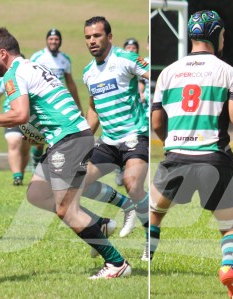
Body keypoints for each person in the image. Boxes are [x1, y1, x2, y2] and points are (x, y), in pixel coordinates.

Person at [0, 27, 132, 279]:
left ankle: (117, 264)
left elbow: (19, 114)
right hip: (67, 137)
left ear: (3, 54)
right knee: (37, 194)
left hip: (69, 139)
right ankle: (98, 225)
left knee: (66, 210)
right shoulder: (32, 66)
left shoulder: (12, 75)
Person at [151, 10, 233, 299]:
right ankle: (228, 266)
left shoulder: (168, 72)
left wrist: (174, 143)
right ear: (217, 35)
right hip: (213, 159)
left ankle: (146, 262)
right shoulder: (227, 72)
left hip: (175, 157)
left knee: (154, 215)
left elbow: (155, 122)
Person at [82, 16, 150, 243]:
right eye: (88, 37)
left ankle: (150, 237)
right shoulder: (88, 73)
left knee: (132, 183)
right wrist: (81, 140)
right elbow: (93, 109)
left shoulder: (126, 59)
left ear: (109, 37)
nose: (92, 41)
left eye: (97, 36)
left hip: (135, 135)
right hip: (108, 141)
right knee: (77, 182)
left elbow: (159, 75)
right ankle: (127, 206)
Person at [29, 28, 82, 169]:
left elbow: (70, 82)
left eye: (56, 39)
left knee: (57, 133)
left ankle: (54, 165)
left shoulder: (65, 59)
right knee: (40, 137)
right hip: (41, 102)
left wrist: (78, 106)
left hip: (58, 103)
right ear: (47, 40)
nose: (53, 41)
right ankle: (36, 160)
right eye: (51, 39)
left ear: (60, 41)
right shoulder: (37, 57)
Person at [0, 77, 31, 186]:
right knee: (13, 142)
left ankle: (21, 174)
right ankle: (16, 176)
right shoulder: (7, 78)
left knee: (25, 149)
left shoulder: (28, 77)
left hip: (28, 117)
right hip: (11, 115)